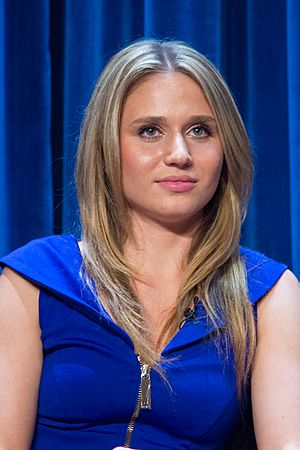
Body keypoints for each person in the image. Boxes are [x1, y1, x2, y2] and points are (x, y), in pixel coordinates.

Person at [0, 39, 299, 450]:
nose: (179, 154)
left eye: (200, 131)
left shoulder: (268, 295)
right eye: (150, 131)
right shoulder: (33, 281)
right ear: (107, 148)